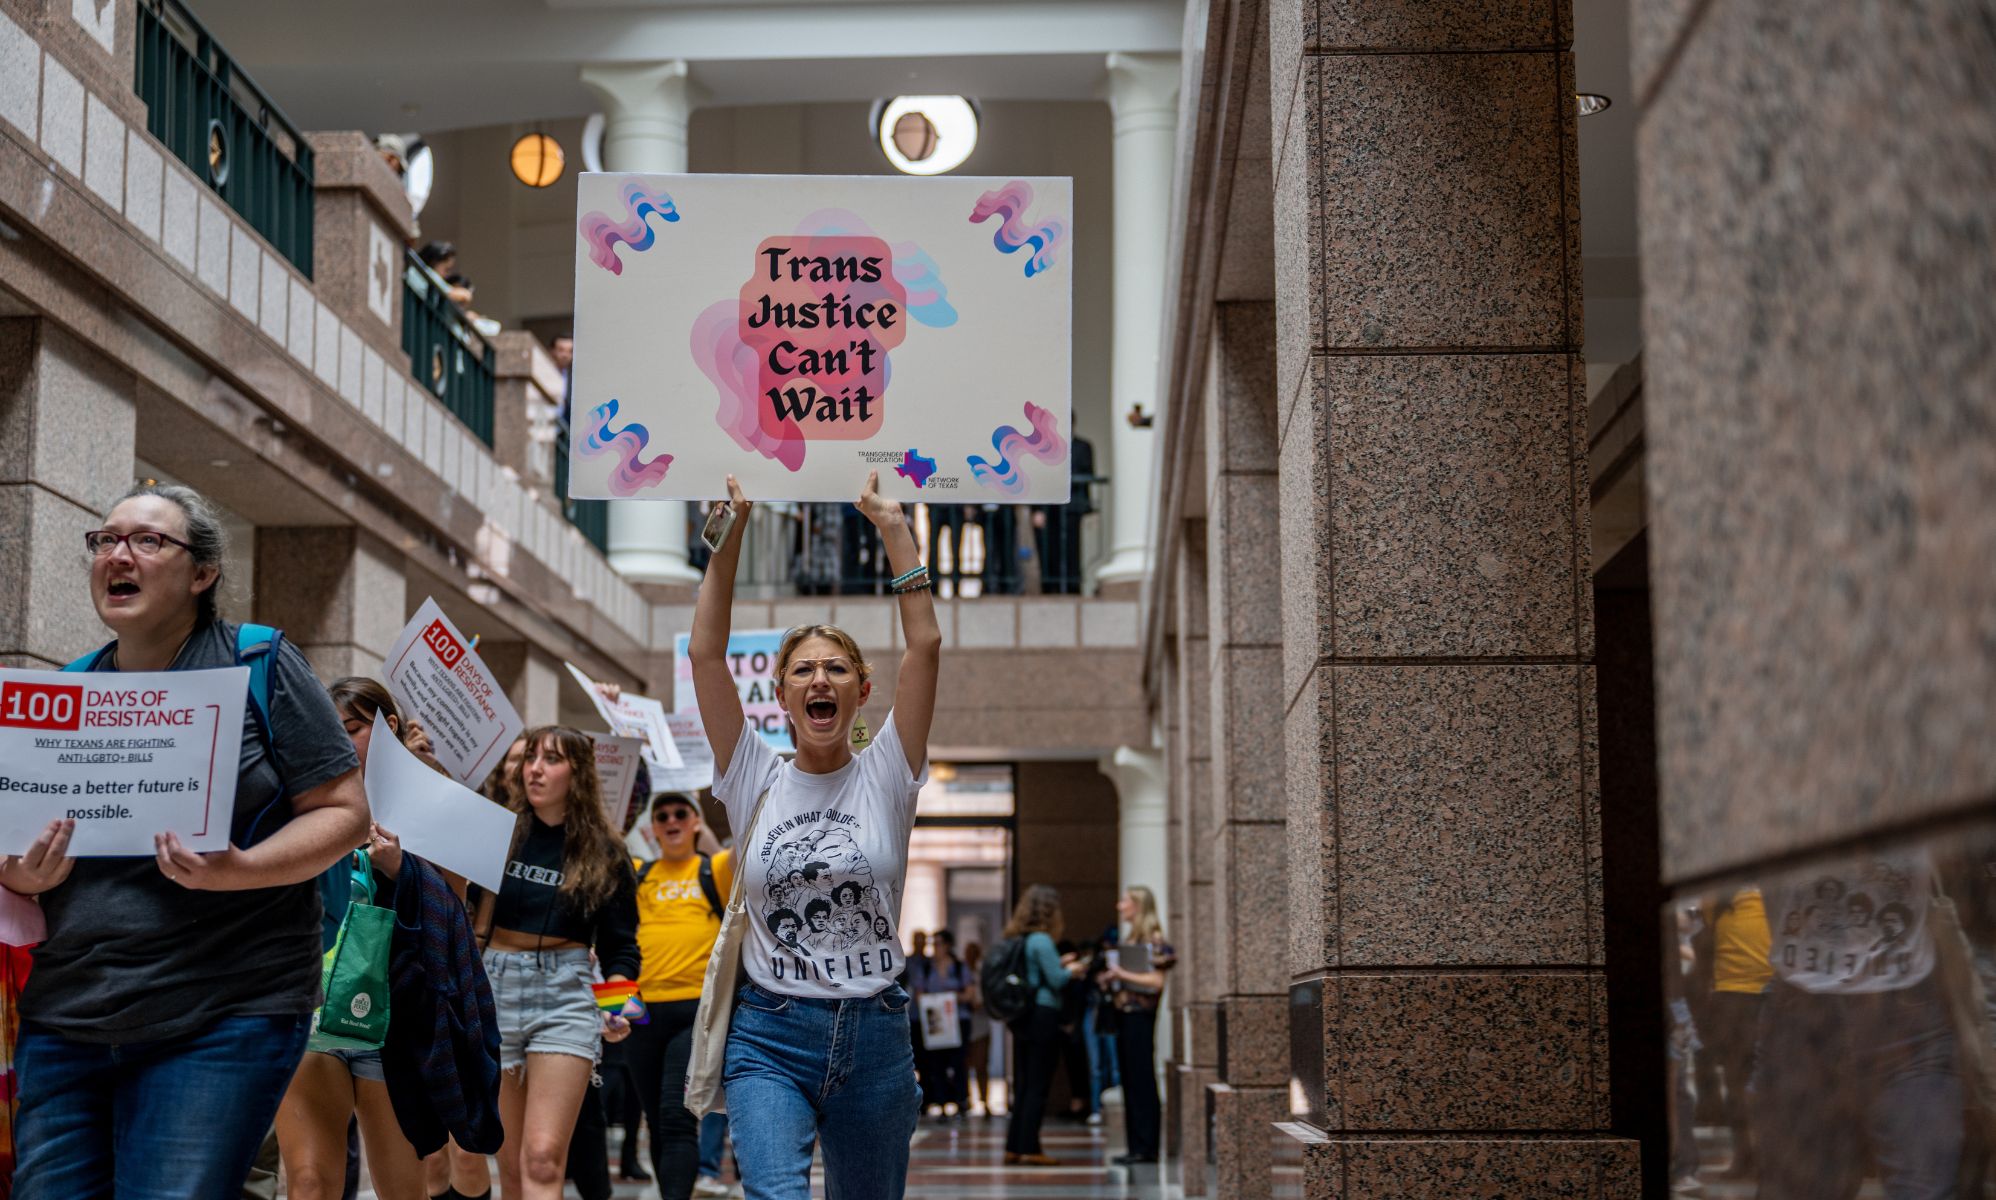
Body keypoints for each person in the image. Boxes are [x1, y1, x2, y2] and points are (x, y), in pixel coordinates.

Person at [1, 483, 369, 1196]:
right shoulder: (69, 688)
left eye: (146, 540)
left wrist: (242, 868)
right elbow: (13, 854)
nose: (118, 555)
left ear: (203, 573)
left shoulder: (259, 662)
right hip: (69, 1014)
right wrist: (25, 876)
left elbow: (344, 813)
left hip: (223, 1015)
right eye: (105, 540)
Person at [690, 470, 941, 1200]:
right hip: (770, 1034)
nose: (819, 679)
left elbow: (925, 646)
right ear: (782, 697)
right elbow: (706, 655)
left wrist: (894, 526)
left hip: (877, 1037)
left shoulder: (888, 771)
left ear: (862, 690)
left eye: (836, 668)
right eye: (803, 671)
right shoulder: (751, 774)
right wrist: (730, 535)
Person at [275, 678, 444, 1200]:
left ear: (388, 727)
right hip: (313, 1007)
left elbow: (453, 916)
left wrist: (402, 869)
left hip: (395, 1018)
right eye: (330, 730)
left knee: (402, 1189)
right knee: (309, 1183)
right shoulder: (304, 801)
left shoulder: (428, 800)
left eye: (351, 729)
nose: (338, 741)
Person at [479, 727, 642, 1200]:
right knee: (510, 1165)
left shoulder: (606, 852)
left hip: (566, 995)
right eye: (531, 757)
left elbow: (621, 947)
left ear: (579, 773)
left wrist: (618, 1007)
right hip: (496, 987)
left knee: (544, 1157)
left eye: (551, 759)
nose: (534, 769)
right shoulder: (497, 831)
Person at [625, 792, 735, 1199]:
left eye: (680, 814)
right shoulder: (638, 873)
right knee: (656, 1122)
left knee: (676, 1116)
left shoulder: (714, 869)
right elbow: (613, 936)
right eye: (663, 816)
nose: (671, 820)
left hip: (694, 1013)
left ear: (694, 822)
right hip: (639, 1013)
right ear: (653, 829)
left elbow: (745, 845)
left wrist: (706, 831)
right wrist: (613, 1007)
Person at [1003, 885, 1079, 1166]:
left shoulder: (1020, 939)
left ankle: (1014, 1146)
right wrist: (1072, 969)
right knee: (1038, 1084)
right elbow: (1056, 980)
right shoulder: (1042, 940)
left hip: (1024, 1016)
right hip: (1044, 1014)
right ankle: (1030, 1147)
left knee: (1024, 1083)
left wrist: (1059, 964)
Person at [1101, 886, 1175, 1165]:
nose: (1120, 906)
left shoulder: (1153, 940)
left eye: (1125, 901)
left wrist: (1121, 973)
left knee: (1142, 1078)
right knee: (1130, 1079)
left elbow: (1155, 982)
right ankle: (1136, 1145)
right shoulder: (1132, 939)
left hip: (1140, 1016)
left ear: (1138, 905)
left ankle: (1147, 1145)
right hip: (1125, 1014)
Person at [915, 931, 972, 1120]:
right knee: (936, 1062)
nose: (935, 948)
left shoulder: (959, 967)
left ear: (947, 945)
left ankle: (961, 1101)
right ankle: (940, 1102)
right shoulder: (926, 968)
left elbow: (969, 994)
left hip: (957, 1020)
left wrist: (950, 998)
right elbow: (919, 995)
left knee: (958, 1062)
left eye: (938, 943)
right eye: (934, 944)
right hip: (936, 1022)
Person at [961, 942, 995, 1117]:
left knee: (981, 1065)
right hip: (964, 1024)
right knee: (965, 1065)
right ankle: (966, 1099)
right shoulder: (960, 971)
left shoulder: (984, 973)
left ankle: (985, 1100)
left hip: (981, 1024)